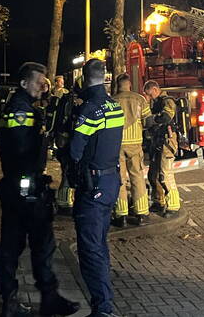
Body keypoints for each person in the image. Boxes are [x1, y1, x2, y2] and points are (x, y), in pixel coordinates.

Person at [0, 62, 79, 317]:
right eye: (38, 82)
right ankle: (21, 301)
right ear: (24, 83)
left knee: (32, 244)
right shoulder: (20, 112)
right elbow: (21, 153)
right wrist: (30, 188)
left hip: (21, 187)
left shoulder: (26, 107)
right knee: (28, 245)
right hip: (24, 188)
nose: (43, 86)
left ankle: (39, 298)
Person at [67, 59, 124, 317]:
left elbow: (75, 151)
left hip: (93, 186)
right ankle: (104, 302)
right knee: (99, 244)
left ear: (84, 78)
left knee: (90, 249)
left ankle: (103, 308)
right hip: (110, 183)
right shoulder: (114, 106)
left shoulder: (90, 109)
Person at [110, 73, 151, 227]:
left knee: (119, 179)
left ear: (117, 85)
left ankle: (121, 216)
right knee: (137, 177)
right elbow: (148, 121)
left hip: (117, 145)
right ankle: (141, 214)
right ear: (130, 85)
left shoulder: (112, 101)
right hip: (135, 144)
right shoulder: (140, 99)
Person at [144, 80, 181, 217]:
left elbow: (166, 117)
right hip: (157, 141)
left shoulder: (167, 101)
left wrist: (152, 119)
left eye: (150, 94)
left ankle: (173, 205)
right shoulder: (157, 102)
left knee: (166, 174)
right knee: (153, 175)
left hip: (167, 141)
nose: (149, 98)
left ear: (155, 89)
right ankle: (158, 201)